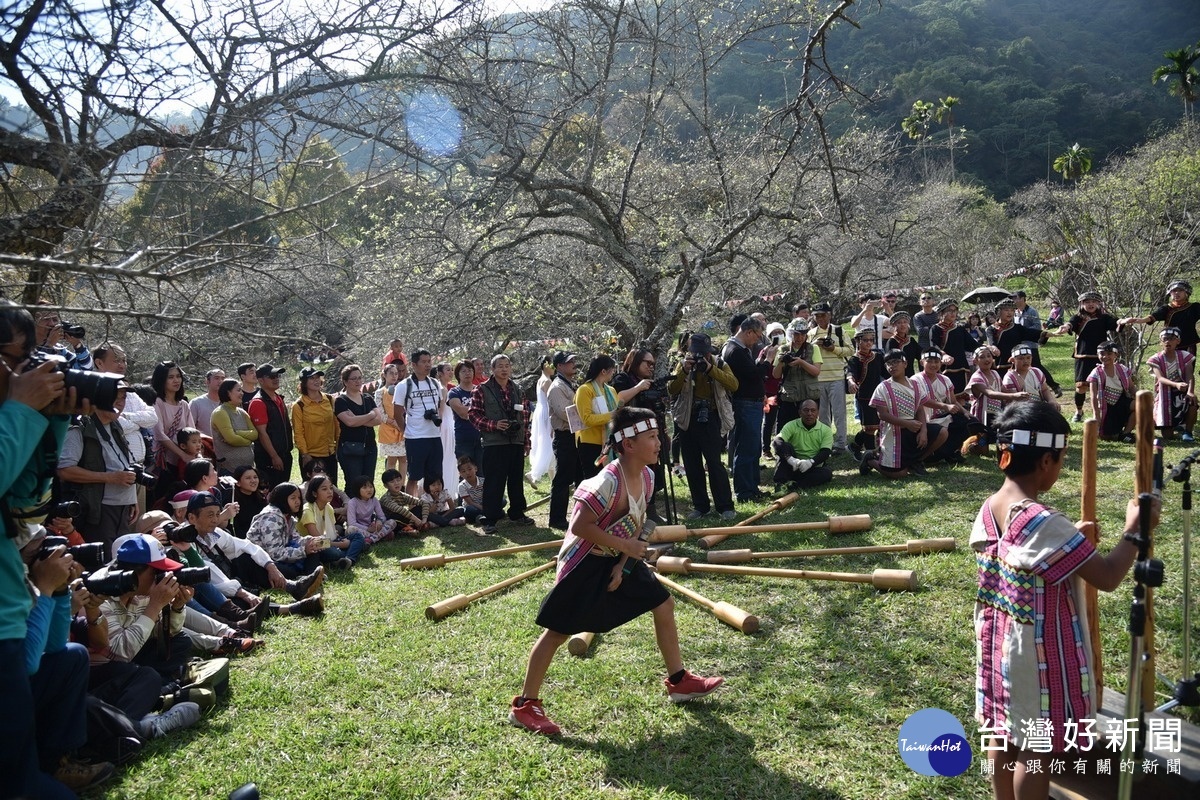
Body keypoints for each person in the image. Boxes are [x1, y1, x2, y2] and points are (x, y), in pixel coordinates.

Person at [973, 400, 1155, 800]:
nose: (1059, 468)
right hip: (1037, 652)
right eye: (1060, 460)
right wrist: (1135, 529)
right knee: (1036, 748)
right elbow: (1106, 577)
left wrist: (1070, 538)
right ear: (1044, 462)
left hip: (997, 640)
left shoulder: (992, 507)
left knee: (1002, 732)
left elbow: (1023, 555)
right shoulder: (1044, 522)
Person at [508, 407, 724, 736]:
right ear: (628, 444)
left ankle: (679, 681)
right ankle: (525, 706)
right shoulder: (605, 482)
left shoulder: (649, 478)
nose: (659, 443)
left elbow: (642, 523)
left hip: (617, 557)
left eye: (658, 436)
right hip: (583, 562)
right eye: (651, 437)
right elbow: (579, 525)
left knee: (663, 604)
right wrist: (624, 550)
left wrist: (624, 565)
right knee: (558, 632)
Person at [1, 300, 84, 799]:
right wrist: (19, 408)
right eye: (15, 360)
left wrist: (50, 419)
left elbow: (26, 495)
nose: (25, 373)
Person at [57, 387, 139, 558]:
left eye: (123, 398)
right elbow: (64, 470)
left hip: (123, 509)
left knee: (122, 562)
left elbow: (121, 465)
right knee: (104, 564)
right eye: (114, 397)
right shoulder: (81, 428)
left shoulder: (115, 425)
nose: (120, 402)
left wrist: (132, 499)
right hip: (99, 511)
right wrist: (110, 478)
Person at [668, 332, 737, 521]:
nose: (700, 357)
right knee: (691, 464)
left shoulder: (719, 363)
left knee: (714, 463)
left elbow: (734, 385)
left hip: (711, 418)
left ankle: (725, 506)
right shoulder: (683, 364)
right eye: (697, 353)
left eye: (704, 353)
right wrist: (683, 370)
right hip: (688, 420)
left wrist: (710, 369)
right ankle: (701, 506)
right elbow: (671, 389)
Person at [469, 354, 535, 535]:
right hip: (494, 443)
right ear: (493, 369)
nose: (504, 369)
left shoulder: (517, 389)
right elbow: (473, 415)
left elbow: (525, 416)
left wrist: (526, 440)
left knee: (516, 480)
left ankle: (517, 512)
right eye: (500, 366)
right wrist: (494, 425)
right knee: (494, 481)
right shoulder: (481, 389)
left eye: (507, 365)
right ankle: (490, 518)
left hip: (516, 440)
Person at [861, 351, 937, 478]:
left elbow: (919, 409)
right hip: (894, 432)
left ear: (905, 364)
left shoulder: (915, 385)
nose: (892, 366)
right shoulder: (883, 387)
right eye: (889, 363)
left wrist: (923, 431)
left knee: (941, 432)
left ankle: (916, 462)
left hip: (914, 429)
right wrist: (907, 424)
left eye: (896, 362)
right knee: (899, 474)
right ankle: (870, 460)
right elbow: (882, 415)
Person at [613, 348, 669, 521]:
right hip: (630, 436)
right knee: (631, 474)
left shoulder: (648, 382)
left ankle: (650, 512)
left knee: (650, 472)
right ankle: (628, 514)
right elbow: (618, 400)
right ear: (635, 361)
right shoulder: (623, 379)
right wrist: (638, 388)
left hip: (649, 433)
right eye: (648, 363)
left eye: (653, 364)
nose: (651, 367)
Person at [1048, 291, 1119, 423]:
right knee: (1081, 387)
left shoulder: (1104, 318)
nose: (1090, 304)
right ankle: (1079, 411)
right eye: (1087, 302)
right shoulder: (1078, 318)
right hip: (1083, 355)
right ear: (1082, 304)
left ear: (1098, 303)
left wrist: (1124, 321)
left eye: (1093, 301)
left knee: (1099, 387)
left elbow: (1116, 323)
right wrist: (1064, 327)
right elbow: (1070, 324)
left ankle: (1098, 413)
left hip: (1100, 356)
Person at [721, 316, 767, 502]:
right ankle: (744, 492)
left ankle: (752, 487)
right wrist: (766, 361)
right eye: (757, 336)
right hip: (745, 404)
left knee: (754, 448)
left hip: (751, 403)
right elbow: (754, 375)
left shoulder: (740, 349)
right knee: (746, 448)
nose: (757, 340)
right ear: (748, 332)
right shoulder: (734, 351)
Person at [393, 348, 445, 497]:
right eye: (423, 362)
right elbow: (397, 413)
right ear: (414, 365)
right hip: (415, 438)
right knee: (414, 476)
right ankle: (414, 509)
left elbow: (440, 405)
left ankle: (435, 508)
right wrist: (406, 431)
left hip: (434, 436)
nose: (428, 365)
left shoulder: (435, 383)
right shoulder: (403, 385)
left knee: (435, 476)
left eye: (429, 361)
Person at [808, 302, 854, 454]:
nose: (820, 318)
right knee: (822, 414)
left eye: (823, 315)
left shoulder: (839, 331)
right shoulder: (810, 333)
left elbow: (851, 351)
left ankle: (841, 444)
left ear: (830, 315)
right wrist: (814, 345)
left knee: (840, 412)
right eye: (817, 316)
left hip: (836, 377)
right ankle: (826, 443)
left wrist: (833, 348)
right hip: (818, 378)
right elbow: (806, 354)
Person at [911, 349, 969, 464]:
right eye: (929, 361)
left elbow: (953, 401)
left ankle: (947, 453)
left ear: (941, 363)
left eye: (936, 361)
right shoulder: (915, 380)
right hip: (923, 419)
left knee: (967, 421)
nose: (933, 365)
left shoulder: (945, 379)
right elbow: (921, 401)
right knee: (943, 429)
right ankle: (923, 458)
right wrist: (945, 406)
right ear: (922, 362)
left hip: (942, 416)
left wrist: (965, 411)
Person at [545, 352, 580, 530]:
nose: (574, 364)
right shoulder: (557, 387)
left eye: (574, 361)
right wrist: (587, 413)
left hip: (576, 434)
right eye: (569, 362)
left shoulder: (570, 384)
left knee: (577, 475)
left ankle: (579, 515)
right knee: (563, 479)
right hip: (565, 435)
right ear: (559, 366)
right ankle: (557, 518)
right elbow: (565, 412)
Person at [333, 363, 383, 488]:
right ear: (345, 381)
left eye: (360, 378)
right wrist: (370, 415)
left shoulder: (367, 398)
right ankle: (351, 508)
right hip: (351, 448)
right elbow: (349, 422)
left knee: (368, 483)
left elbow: (379, 419)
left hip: (370, 447)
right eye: (353, 378)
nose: (358, 381)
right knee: (354, 484)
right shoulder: (341, 401)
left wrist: (356, 419)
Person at [1120, 278, 1200, 354]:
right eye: (1174, 291)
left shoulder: (1194, 307)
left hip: (1189, 343)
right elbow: (1153, 316)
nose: (1176, 293)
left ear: (1187, 293)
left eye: (1180, 290)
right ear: (1170, 293)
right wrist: (1139, 320)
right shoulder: (1167, 308)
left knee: (1188, 366)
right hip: (1170, 343)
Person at [573, 354, 621, 478]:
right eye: (612, 369)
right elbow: (587, 419)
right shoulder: (585, 390)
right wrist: (612, 415)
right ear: (603, 371)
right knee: (594, 480)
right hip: (590, 443)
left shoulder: (611, 390)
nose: (614, 372)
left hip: (610, 442)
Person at [291, 366, 339, 488]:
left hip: (330, 452)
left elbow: (336, 424)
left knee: (331, 488)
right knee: (313, 490)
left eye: (318, 377)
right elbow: (298, 433)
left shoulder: (329, 399)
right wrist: (305, 454)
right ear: (304, 383)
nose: (316, 380)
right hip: (311, 455)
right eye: (312, 378)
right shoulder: (299, 405)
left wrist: (338, 445)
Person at [300, 475, 362, 568]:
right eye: (324, 489)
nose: (330, 492)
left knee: (357, 536)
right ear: (314, 493)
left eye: (331, 488)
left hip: (329, 540)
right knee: (334, 553)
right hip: (313, 545)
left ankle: (348, 559)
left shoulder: (328, 507)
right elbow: (318, 541)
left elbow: (333, 533)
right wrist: (341, 544)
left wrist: (340, 540)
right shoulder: (307, 510)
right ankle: (350, 552)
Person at [248, 363, 293, 489]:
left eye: (277, 375)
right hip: (269, 458)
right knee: (273, 491)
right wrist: (274, 456)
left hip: (285, 454)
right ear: (261, 380)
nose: (276, 378)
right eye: (272, 376)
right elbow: (262, 433)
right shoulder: (258, 402)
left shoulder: (278, 397)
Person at [770, 399, 834, 489]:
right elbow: (776, 441)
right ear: (800, 412)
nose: (809, 413)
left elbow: (825, 452)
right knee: (785, 446)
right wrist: (790, 459)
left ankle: (795, 485)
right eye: (806, 410)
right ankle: (780, 483)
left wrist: (810, 462)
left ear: (818, 412)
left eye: (813, 410)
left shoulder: (826, 430)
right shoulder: (791, 425)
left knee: (826, 474)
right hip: (792, 465)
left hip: (812, 466)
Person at [1148, 327, 1196, 441]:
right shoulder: (1155, 359)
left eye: (1171, 339)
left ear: (1178, 341)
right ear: (1160, 341)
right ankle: (1176, 426)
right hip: (1164, 393)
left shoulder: (1184, 356)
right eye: (1164, 339)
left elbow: (1190, 375)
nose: (1167, 342)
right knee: (1168, 437)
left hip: (1181, 391)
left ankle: (1188, 431)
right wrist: (1176, 384)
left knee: (1192, 401)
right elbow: (1160, 378)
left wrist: (1190, 392)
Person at [150, 361, 195, 482]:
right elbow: (159, 434)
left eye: (178, 376)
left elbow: (192, 432)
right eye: (171, 377)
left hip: (181, 462)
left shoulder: (184, 405)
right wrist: (183, 455)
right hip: (163, 461)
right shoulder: (157, 402)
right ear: (161, 380)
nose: (176, 380)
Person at [772, 320, 821, 431]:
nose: (800, 338)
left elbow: (816, 371)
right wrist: (781, 361)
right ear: (791, 334)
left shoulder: (813, 348)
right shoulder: (783, 349)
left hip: (809, 396)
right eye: (796, 334)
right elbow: (776, 375)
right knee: (786, 428)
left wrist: (801, 362)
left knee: (808, 428)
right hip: (790, 397)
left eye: (803, 334)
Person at [845, 330, 884, 457]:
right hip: (864, 396)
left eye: (871, 340)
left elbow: (886, 372)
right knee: (869, 427)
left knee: (877, 424)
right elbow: (850, 372)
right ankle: (870, 454)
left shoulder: (878, 356)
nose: (869, 343)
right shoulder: (855, 359)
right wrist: (851, 382)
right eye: (865, 340)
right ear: (858, 341)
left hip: (878, 394)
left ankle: (854, 446)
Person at [1086, 342, 1135, 442]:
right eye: (1102, 354)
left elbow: (1131, 387)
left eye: (1109, 354)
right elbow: (1094, 396)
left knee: (1140, 405)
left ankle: (1126, 433)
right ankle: (1115, 432)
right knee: (1107, 437)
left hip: (1122, 401)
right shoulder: (1096, 373)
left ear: (1115, 355)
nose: (1105, 356)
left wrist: (1143, 398)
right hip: (1106, 406)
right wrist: (1096, 414)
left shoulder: (1122, 369)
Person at [210, 379, 258, 474]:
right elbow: (232, 439)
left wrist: (237, 432)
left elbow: (255, 434)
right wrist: (249, 442)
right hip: (229, 469)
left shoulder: (242, 412)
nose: (242, 393)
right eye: (238, 390)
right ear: (228, 393)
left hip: (248, 468)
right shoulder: (220, 412)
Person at [928, 300, 973, 393]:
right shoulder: (935, 328)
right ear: (941, 313)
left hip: (961, 365)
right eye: (949, 310)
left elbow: (971, 344)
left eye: (954, 310)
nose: (953, 313)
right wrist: (943, 355)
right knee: (946, 395)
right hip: (945, 367)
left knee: (961, 396)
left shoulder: (960, 328)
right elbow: (934, 346)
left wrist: (986, 348)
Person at [447, 360, 481, 471]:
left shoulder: (480, 390)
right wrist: (479, 411)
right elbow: (462, 413)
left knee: (483, 473)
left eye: (470, 370)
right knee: (467, 473)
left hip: (482, 438)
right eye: (464, 371)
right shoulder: (454, 392)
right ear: (458, 374)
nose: (467, 373)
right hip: (464, 439)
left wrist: (471, 412)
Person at [344, 475, 396, 545]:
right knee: (351, 529)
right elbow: (352, 523)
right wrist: (367, 529)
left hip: (372, 528)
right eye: (364, 487)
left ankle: (370, 539)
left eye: (371, 487)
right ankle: (379, 536)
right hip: (360, 529)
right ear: (357, 489)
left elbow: (382, 517)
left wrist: (379, 522)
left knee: (392, 522)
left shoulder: (374, 500)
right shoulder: (352, 502)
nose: (369, 490)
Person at [375, 362, 406, 474]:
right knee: (392, 459)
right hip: (388, 429)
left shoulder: (401, 389)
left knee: (403, 459)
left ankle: (402, 485)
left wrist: (402, 424)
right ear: (384, 375)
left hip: (402, 429)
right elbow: (380, 412)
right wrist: (394, 423)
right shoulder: (380, 392)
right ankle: (392, 485)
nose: (394, 376)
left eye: (396, 373)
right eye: (391, 373)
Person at [229, 465, 267, 537]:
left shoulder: (261, 498)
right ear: (238, 482)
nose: (253, 481)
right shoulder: (232, 501)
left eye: (255, 477)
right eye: (248, 478)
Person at [188, 368, 225, 438]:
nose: (220, 381)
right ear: (207, 381)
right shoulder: (196, 403)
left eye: (223, 378)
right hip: (204, 445)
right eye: (216, 378)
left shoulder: (229, 402)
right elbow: (190, 428)